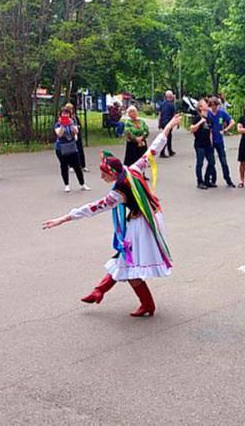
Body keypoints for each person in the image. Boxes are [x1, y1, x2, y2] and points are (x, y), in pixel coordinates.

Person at [42, 115, 182, 317]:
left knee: (130, 264)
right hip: (147, 217)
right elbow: (153, 150)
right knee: (125, 260)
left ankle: (141, 302)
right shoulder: (131, 169)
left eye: (104, 174)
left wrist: (63, 218)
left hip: (143, 223)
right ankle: (101, 291)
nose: (101, 178)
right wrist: (168, 126)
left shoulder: (118, 192)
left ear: (113, 173)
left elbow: (93, 207)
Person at [54, 108, 90, 193]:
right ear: (60, 115)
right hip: (61, 148)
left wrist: (71, 124)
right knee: (64, 166)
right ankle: (66, 185)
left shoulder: (72, 123)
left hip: (72, 146)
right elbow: (59, 134)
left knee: (77, 166)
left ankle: (82, 184)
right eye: (63, 114)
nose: (65, 115)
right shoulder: (57, 125)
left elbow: (76, 131)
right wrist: (63, 125)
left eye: (67, 114)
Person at [207, 97, 236, 188]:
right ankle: (212, 179)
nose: (214, 108)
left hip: (219, 140)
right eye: (212, 106)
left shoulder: (222, 113)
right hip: (211, 140)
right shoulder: (208, 114)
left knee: (223, 161)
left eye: (215, 106)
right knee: (211, 162)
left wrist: (225, 130)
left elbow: (232, 122)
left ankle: (228, 180)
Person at [190, 99, 216, 190]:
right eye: (205, 104)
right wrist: (200, 122)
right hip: (199, 144)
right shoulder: (197, 118)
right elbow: (192, 129)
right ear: (200, 107)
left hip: (208, 144)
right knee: (200, 163)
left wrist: (211, 142)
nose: (207, 105)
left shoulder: (209, 119)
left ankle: (207, 180)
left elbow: (210, 132)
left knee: (212, 162)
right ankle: (199, 182)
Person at [64, 103, 88, 172]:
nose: (70, 110)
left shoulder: (75, 117)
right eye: (68, 109)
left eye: (71, 109)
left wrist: (78, 127)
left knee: (80, 150)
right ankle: (71, 166)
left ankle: (83, 165)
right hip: (70, 137)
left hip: (77, 136)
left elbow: (79, 125)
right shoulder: (66, 118)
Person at [158, 90, 177, 158]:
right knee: (167, 137)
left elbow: (160, 114)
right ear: (171, 96)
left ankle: (169, 151)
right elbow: (174, 115)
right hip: (169, 123)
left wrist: (159, 123)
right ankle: (162, 152)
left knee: (167, 137)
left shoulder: (162, 104)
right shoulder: (172, 105)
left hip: (163, 123)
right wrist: (176, 123)